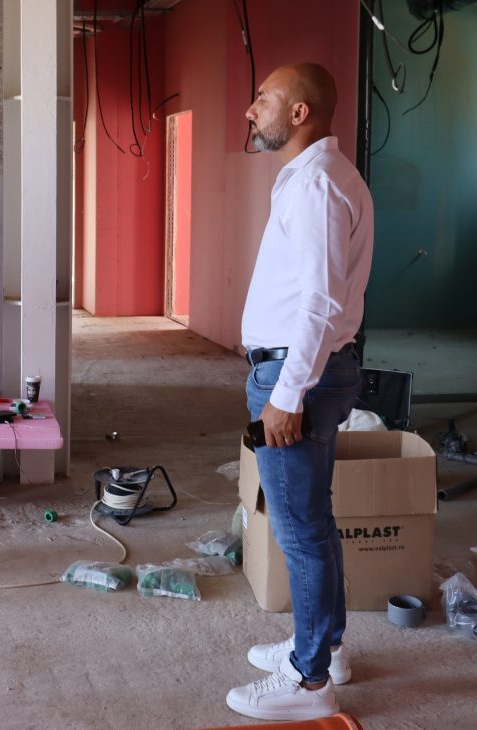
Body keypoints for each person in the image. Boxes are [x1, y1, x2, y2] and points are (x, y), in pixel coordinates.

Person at [227, 63, 374, 722]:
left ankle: (309, 681)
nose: (251, 108)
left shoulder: (317, 184)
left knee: (299, 530)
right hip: (311, 369)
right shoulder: (324, 176)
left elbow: (319, 302)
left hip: (298, 375)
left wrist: (287, 395)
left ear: (299, 113)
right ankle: (326, 649)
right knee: (314, 518)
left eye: (264, 98)